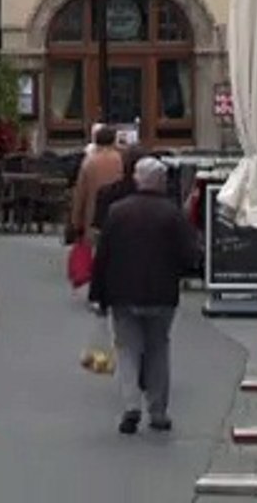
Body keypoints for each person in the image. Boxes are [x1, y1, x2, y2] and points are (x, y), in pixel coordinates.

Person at [90, 158, 197, 435]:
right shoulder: (172, 214)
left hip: (123, 293)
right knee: (158, 349)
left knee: (127, 349)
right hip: (162, 294)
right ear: (161, 182)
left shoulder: (117, 212)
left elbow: (103, 257)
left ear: (137, 179)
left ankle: (131, 406)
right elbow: (190, 256)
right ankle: (158, 411)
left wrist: (98, 296)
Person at [71, 126, 125, 244]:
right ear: (114, 141)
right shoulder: (121, 160)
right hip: (119, 217)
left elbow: (81, 193)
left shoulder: (89, 162)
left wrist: (76, 221)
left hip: (93, 217)